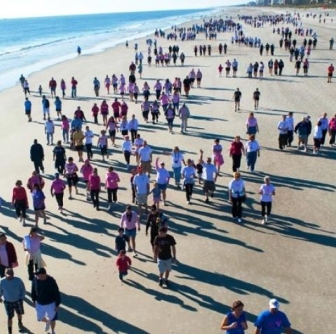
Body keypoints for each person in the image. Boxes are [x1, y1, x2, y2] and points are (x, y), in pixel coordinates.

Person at [31, 268, 61, 334]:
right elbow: (33, 290)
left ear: (44, 275)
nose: (37, 276)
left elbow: (56, 292)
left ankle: (53, 331)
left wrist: (57, 304)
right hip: (40, 303)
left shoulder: (51, 281)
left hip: (51, 304)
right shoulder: (35, 280)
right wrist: (33, 300)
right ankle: (47, 322)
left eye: (38, 275)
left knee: (52, 318)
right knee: (40, 318)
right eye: (37, 275)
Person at [0, 268, 26, 334]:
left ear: (13, 274)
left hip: (18, 300)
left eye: (11, 275)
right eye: (8, 276)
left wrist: (21, 297)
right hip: (8, 302)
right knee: (9, 317)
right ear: (5, 274)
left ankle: (20, 322)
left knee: (19, 313)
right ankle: (10, 332)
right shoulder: (2, 282)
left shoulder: (18, 280)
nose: (10, 277)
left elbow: (23, 289)